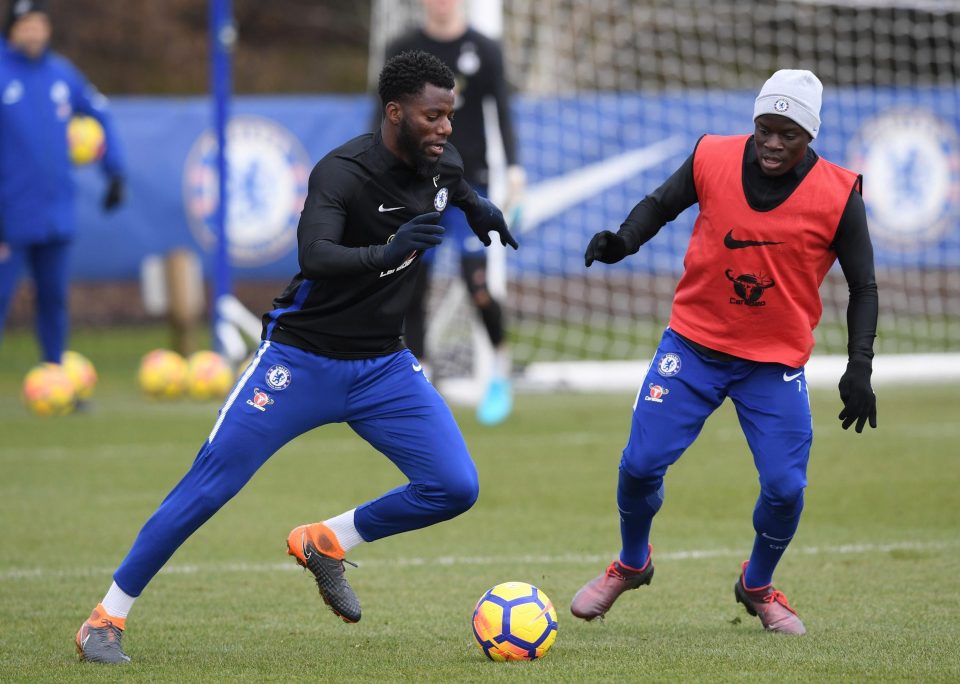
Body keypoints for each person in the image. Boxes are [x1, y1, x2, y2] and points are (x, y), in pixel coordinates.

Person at [74, 50, 517, 664]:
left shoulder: (444, 163)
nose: (445, 128)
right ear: (394, 113)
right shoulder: (342, 173)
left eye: (450, 114)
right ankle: (104, 620)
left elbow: (454, 184)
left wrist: (478, 205)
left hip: (383, 368)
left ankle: (326, 540)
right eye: (432, 116)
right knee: (210, 485)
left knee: (453, 486)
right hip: (298, 362)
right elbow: (316, 257)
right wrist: (391, 250)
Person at [569, 69, 878, 635]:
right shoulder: (711, 156)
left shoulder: (838, 193)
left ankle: (757, 585)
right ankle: (632, 563)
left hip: (773, 365)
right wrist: (622, 241)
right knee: (639, 465)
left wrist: (861, 364)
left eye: (788, 133)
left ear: (810, 136)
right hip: (692, 348)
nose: (773, 143)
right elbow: (659, 204)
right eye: (765, 128)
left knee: (786, 489)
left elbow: (865, 287)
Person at [382, 0, 524, 426]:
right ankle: (420, 380)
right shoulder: (402, 48)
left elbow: (500, 109)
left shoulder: (484, 48)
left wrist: (515, 168)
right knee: (412, 279)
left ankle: (499, 371)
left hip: (467, 185)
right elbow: (385, 115)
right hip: (414, 183)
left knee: (476, 278)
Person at [0, 0, 125, 364]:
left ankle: (54, 373)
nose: (34, 31)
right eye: (26, 24)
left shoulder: (62, 74)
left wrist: (114, 171)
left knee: (54, 298)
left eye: (40, 23)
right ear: (12, 29)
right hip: (9, 214)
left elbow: (100, 114)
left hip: (56, 211)